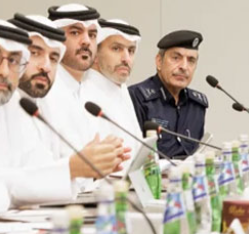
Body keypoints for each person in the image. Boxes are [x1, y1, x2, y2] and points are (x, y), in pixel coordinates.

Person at [0, 20, 124, 208]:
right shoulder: (19, 103)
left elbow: (35, 172)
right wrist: (73, 168)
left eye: (12, 61)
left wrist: (85, 168)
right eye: (35, 54)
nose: (46, 67)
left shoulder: (21, 106)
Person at [129, 30, 208, 159]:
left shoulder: (197, 105)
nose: (184, 67)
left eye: (191, 60)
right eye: (176, 58)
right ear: (159, 61)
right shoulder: (136, 97)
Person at [82, 19, 142, 170]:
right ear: (95, 54)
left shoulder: (122, 89)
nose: (126, 59)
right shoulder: (85, 95)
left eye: (131, 51)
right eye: (116, 49)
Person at [45, 3, 101, 149]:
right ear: (55, 40)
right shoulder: (45, 92)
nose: (86, 41)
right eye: (75, 33)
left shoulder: (89, 93)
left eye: (92, 35)